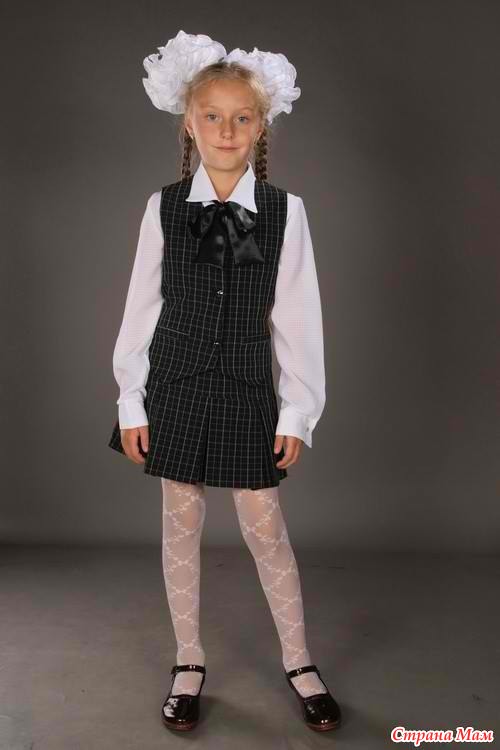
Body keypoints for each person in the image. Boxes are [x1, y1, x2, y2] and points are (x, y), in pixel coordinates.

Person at [108, 30, 341, 733]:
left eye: (242, 117)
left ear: (261, 126)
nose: (227, 130)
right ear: (189, 122)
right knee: (179, 523)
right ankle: (189, 661)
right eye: (212, 116)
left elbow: (298, 315)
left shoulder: (285, 211)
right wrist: (131, 398)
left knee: (264, 526)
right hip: (174, 383)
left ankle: (299, 662)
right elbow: (141, 306)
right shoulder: (162, 207)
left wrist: (296, 411)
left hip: (245, 387)